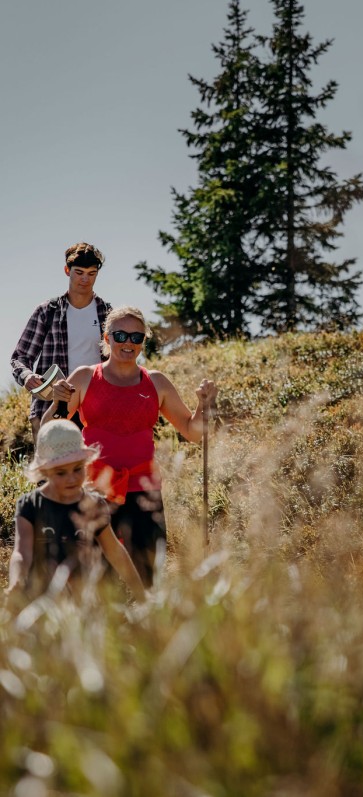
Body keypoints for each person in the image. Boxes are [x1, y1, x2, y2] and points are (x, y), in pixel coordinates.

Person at [44, 305, 215, 587]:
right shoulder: (85, 377)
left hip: (145, 491)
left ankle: (146, 627)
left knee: (149, 571)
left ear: (143, 342)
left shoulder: (156, 382)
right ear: (106, 337)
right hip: (95, 490)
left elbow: (192, 431)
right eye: (121, 335)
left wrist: (203, 405)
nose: (128, 343)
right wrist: (57, 401)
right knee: (98, 576)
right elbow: (51, 431)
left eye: (136, 338)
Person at [5, 420, 145, 602]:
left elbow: (115, 552)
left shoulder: (93, 505)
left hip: (83, 601)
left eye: (78, 469)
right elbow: (22, 552)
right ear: (44, 472)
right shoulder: (30, 505)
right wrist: (16, 581)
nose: (71, 478)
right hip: (40, 601)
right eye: (61, 473)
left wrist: (141, 594)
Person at [10, 242, 111, 441]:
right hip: (51, 407)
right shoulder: (47, 311)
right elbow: (20, 357)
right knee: (51, 469)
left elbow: (117, 361)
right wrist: (28, 376)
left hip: (96, 407)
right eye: (79, 272)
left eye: (91, 273)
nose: (85, 279)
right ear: (67, 270)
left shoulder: (107, 314)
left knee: (97, 470)